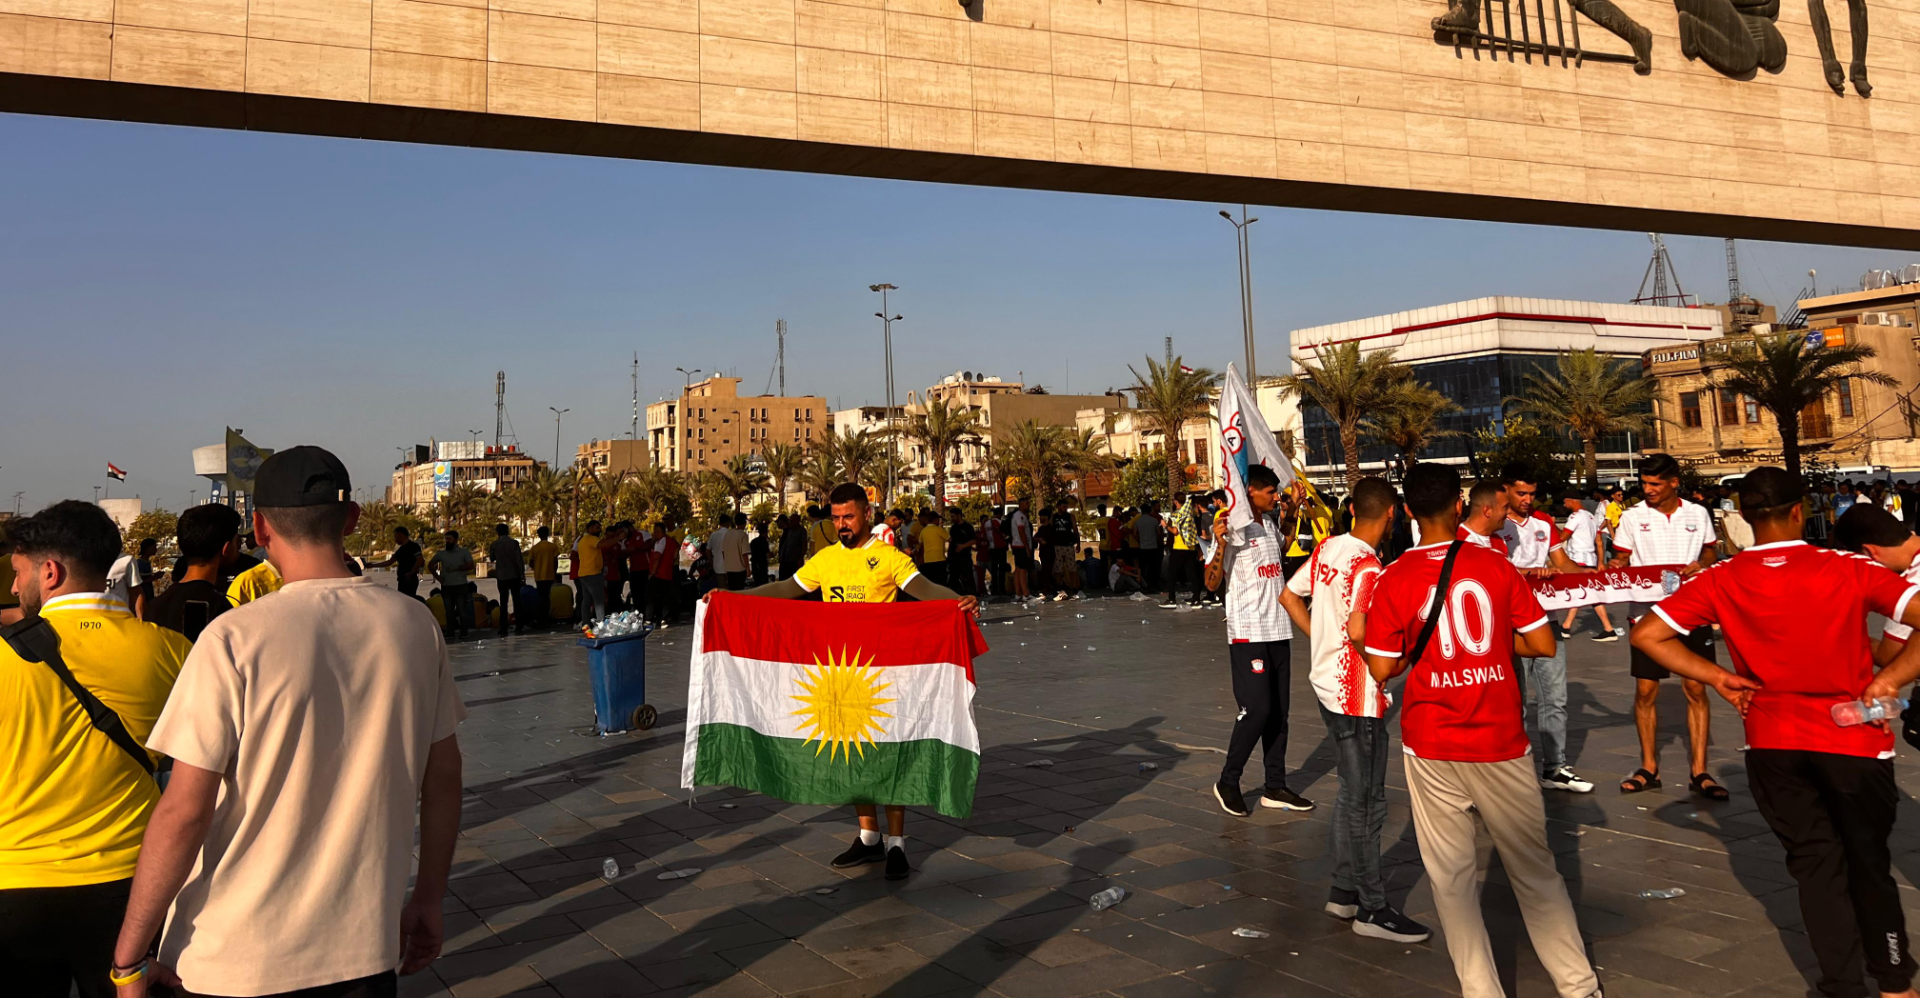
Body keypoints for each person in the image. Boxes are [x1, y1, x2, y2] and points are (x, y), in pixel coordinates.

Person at [109, 446, 465, 998]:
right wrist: (429, 899)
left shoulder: (235, 639)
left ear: (259, 528)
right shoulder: (415, 626)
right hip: (362, 954)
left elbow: (184, 812)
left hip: (235, 961)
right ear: (351, 519)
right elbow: (443, 779)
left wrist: (129, 957)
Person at [1637, 469, 1920, 998]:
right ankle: (1894, 980)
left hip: (1772, 741)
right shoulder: (1848, 567)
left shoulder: (1720, 578)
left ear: (1744, 517)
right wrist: (1889, 679)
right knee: (1867, 861)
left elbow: (1647, 634)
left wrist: (1717, 677)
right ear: (1799, 511)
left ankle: (1841, 985)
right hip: (1853, 739)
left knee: (1815, 867)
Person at [1361, 463, 1601, 998]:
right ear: (1458, 506)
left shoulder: (1393, 577)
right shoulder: (1495, 566)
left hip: (1430, 741)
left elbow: (1382, 668)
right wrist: (1492, 642)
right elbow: (1541, 644)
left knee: (1451, 880)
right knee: (1535, 871)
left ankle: (1481, 990)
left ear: (1407, 511)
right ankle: (1578, 985)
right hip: (1498, 739)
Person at [722, 483, 978, 881]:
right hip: (840, 676)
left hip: (884, 675)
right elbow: (787, 589)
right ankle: (869, 837)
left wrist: (956, 600)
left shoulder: (889, 558)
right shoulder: (825, 559)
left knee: (889, 754)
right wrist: (736, 598)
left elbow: (924, 588)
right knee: (853, 754)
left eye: (849, 517)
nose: (842, 524)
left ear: (867, 514)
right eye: (836, 518)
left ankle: (897, 844)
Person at [0, 500, 191, 998]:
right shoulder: (173, 651)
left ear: (50, 571)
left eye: (18, 574)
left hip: (14, 888)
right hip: (133, 888)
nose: (15, 588)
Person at [1280, 477, 1429, 943]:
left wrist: (1321, 640)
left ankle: (1343, 890)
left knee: (1350, 794)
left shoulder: (1329, 549)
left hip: (1327, 687)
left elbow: (1289, 594)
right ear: (1391, 514)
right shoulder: (1369, 567)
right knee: (1367, 803)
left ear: (1352, 510)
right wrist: (1390, 664)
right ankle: (1372, 906)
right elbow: (1361, 630)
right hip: (1357, 694)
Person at [1610, 452, 1725, 799]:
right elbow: (1621, 556)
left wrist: (1701, 563)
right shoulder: (1632, 517)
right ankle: (1649, 767)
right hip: (1647, 614)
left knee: (1696, 688)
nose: (1648, 489)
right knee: (1646, 691)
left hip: (1692, 610)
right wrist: (1616, 564)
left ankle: (1699, 771)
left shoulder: (1698, 513)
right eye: (1644, 483)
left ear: (1674, 483)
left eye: (1655, 484)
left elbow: (1710, 552)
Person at [1203, 465, 1312, 816]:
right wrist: (1220, 543)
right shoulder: (1231, 528)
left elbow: (1285, 544)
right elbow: (1210, 582)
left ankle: (1275, 786)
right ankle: (1228, 781)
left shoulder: (1268, 525)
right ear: (1250, 491)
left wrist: (1293, 511)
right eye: (1270, 492)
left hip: (1278, 628)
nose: (1275, 497)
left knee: (1279, 713)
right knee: (1257, 710)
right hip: (1248, 632)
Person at [1494, 466, 1594, 795]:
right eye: (1521, 493)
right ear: (1506, 490)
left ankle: (1555, 767)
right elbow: (1495, 569)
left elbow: (1562, 563)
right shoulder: (1495, 525)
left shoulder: (1543, 523)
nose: (1527, 499)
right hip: (1511, 625)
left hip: (1545, 620)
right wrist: (1528, 572)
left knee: (1555, 698)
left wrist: (1592, 576)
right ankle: (1512, 771)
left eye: (1532, 494)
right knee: (1516, 702)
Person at [144, 503, 242, 640]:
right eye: (237, 541)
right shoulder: (221, 610)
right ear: (226, 548)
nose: (239, 546)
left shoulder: (155, 606)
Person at [1557, 493, 1616, 641]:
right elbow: (1599, 542)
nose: (1564, 505)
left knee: (1581, 592)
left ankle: (1567, 627)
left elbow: (1562, 537)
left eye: (1565, 502)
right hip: (1590, 559)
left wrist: (1551, 524)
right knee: (1587, 593)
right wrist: (1600, 562)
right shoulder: (1591, 517)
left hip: (1578, 559)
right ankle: (1568, 626)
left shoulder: (1575, 516)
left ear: (1572, 500)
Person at [430, 530, 476, 640]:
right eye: (446, 539)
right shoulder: (442, 554)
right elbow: (430, 565)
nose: (447, 541)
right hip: (447, 586)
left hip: (460, 585)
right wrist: (438, 578)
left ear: (455, 540)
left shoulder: (464, 552)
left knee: (462, 611)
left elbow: (470, 565)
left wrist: (458, 568)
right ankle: (450, 631)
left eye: (449, 539)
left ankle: (464, 632)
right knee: (448, 611)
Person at [1163, 495, 1201, 608]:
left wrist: (1166, 526)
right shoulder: (1190, 513)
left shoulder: (1176, 514)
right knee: (1192, 574)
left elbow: (1175, 531)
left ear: (1175, 502)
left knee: (1172, 574)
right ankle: (1196, 598)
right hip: (1190, 547)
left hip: (1179, 547)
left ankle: (1171, 599)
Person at [488, 523, 525, 637]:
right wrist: (522, 574)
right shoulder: (514, 543)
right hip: (514, 575)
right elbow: (519, 560)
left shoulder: (494, 544)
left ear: (497, 532)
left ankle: (503, 627)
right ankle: (519, 625)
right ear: (508, 531)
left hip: (502, 576)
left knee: (503, 602)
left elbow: (492, 558)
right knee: (517, 601)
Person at [366, 526, 424, 600]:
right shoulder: (401, 549)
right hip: (402, 580)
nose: (395, 539)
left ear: (400, 535)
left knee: (408, 600)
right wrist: (373, 565)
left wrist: (411, 572)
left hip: (410, 580)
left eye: (395, 536)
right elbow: (389, 562)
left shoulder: (414, 546)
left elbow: (420, 560)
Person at [105, 539, 156, 620]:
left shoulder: (126, 560)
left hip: (121, 619)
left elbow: (136, 592)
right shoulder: (137, 563)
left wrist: (140, 621)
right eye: (154, 547)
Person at [645, 518, 679, 628]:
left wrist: (653, 572)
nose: (653, 533)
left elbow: (657, 557)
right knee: (665, 597)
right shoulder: (671, 542)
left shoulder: (660, 542)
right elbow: (676, 550)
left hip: (658, 574)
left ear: (658, 532)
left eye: (655, 531)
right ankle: (664, 619)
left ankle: (649, 619)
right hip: (667, 573)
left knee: (652, 597)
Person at [1458, 482, 1510, 554]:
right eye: (1505, 507)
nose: (1508, 512)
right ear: (1487, 511)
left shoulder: (1500, 542)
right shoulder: (1458, 542)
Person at [573, 521, 607, 621]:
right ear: (590, 528)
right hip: (592, 573)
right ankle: (600, 621)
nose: (599, 530)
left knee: (586, 599)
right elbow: (603, 545)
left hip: (583, 573)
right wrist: (618, 538)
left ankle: (585, 622)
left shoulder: (581, 540)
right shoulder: (591, 539)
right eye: (597, 528)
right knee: (598, 599)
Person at [527, 526, 559, 627]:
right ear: (548, 534)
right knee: (548, 597)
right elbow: (555, 561)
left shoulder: (535, 548)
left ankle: (541, 618)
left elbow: (531, 562)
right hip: (550, 575)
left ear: (539, 535)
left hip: (539, 576)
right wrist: (555, 571)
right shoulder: (553, 547)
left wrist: (537, 568)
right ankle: (546, 618)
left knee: (541, 597)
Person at [1050, 504, 1080, 601]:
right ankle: (1057, 589)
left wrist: (1078, 543)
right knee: (1058, 568)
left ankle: (1075, 588)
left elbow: (1075, 529)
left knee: (1072, 567)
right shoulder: (1054, 517)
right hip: (1057, 545)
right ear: (1058, 507)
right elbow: (1050, 529)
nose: (1065, 508)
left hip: (1068, 545)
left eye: (1066, 506)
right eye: (1063, 506)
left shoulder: (1070, 516)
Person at [945, 507, 975, 596]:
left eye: (953, 516)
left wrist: (962, 546)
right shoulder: (953, 528)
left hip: (965, 558)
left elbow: (973, 540)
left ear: (959, 515)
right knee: (954, 581)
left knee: (968, 580)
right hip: (953, 559)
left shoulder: (968, 527)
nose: (952, 519)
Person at [916, 509, 950, 586]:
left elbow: (919, 545)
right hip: (940, 560)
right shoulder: (939, 530)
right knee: (941, 583)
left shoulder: (923, 531)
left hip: (927, 561)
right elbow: (950, 539)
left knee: (931, 583)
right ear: (936, 520)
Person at [1008, 500, 1034, 599]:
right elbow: (1021, 531)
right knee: (1023, 570)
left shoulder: (1017, 515)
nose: (1028, 505)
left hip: (1017, 545)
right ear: (1021, 504)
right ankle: (1026, 594)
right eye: (1026, 503)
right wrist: (1027, 547)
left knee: (1018, 570)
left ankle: (1018, 593)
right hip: (1021, 546)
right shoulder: (1020, 516)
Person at [1137, 500, 1164, 593]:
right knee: (1154, 567)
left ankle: (1144, 584)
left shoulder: (1138, 521)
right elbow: (1159, 533)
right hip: (1153, 547)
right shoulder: (1154, 520)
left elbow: (1135, 533)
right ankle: (1154, 584)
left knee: (1143, 567)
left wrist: (1140, 541)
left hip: (1143, 547)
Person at [777, 513, 807, 579]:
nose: (790, 522)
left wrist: (801, 558)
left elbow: (804, 544)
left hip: (795, 560)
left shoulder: (801, 531)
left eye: (791, 521)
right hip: (786, 559)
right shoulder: (790, 530)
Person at [748, 514, 770, 585]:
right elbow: (767, 554)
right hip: (762, 566)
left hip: (755, 566)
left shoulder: (753, 541)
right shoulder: (764, 542)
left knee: (757, 584)